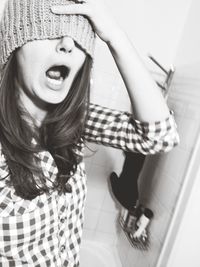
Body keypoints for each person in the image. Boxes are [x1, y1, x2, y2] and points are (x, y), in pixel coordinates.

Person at [0, 0, 179, 266]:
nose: (68, 44)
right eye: (49, 29)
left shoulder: (75, 121)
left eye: (80, 37)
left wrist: (114, 36)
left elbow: (160, 135)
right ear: (14, 43)